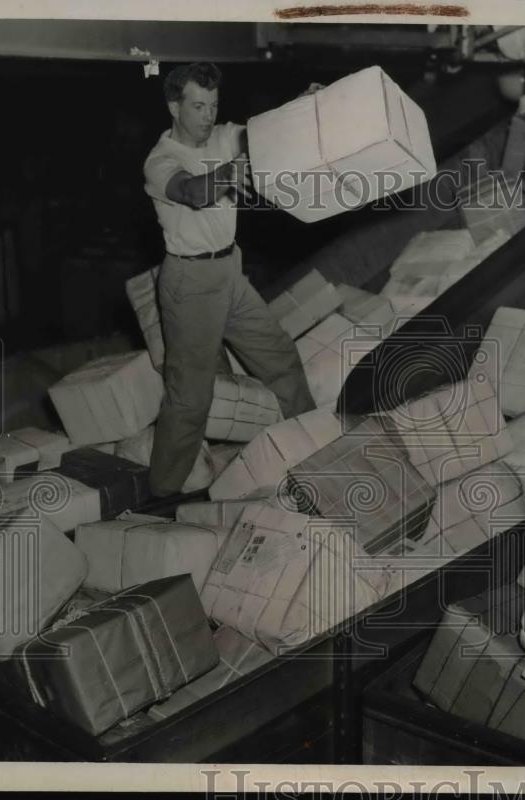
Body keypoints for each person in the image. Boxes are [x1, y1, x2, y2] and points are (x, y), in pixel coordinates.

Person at [143, 62, 316, 497]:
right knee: (190, 400)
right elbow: (191, 192)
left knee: (280, 357)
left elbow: (265, 132)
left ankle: (315, 449)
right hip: (190, 282)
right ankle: (160, 495)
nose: (207, 115)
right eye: (198, 106)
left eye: (213, 105)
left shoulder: (222, 136)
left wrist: (303, 104)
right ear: (173, 106)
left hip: (229, 272)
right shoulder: (161, 160)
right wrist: (227, 173)